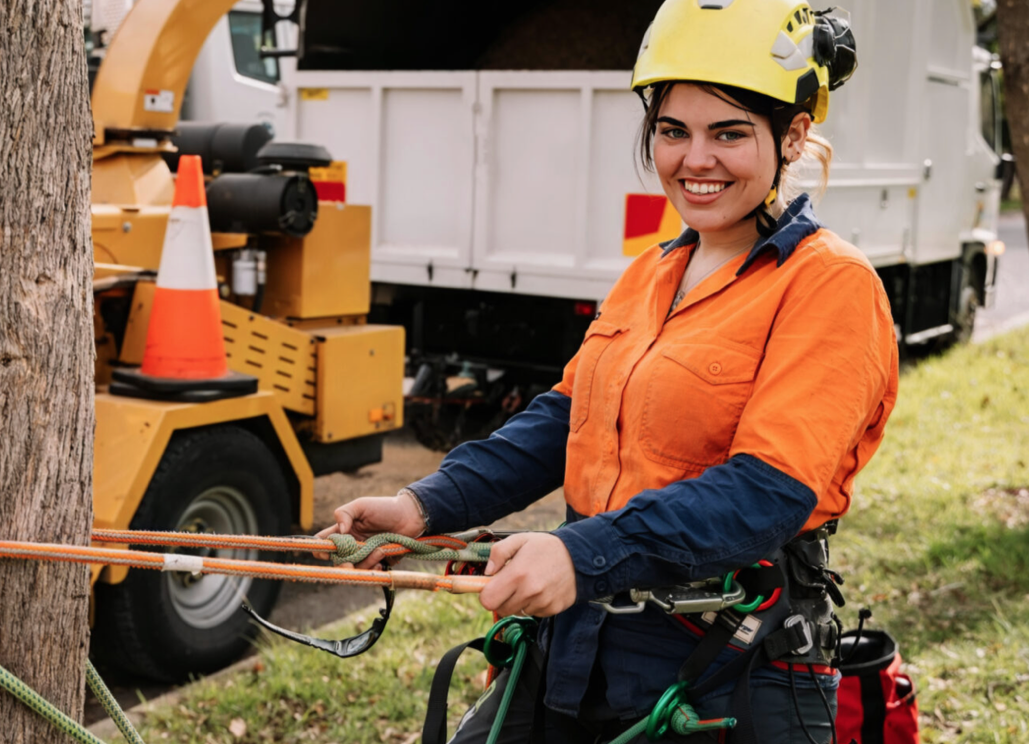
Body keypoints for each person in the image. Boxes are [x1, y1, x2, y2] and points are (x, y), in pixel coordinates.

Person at [319, 1, 897, 741]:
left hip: (728, 666)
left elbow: (768, 490)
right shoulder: (651, 273)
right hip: (581, 644)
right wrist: (427, 505)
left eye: (729, 134)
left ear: (792, 136)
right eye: (672, 131)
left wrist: (579, 553)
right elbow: (566, 418)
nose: (696, 160)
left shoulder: (830, 286)